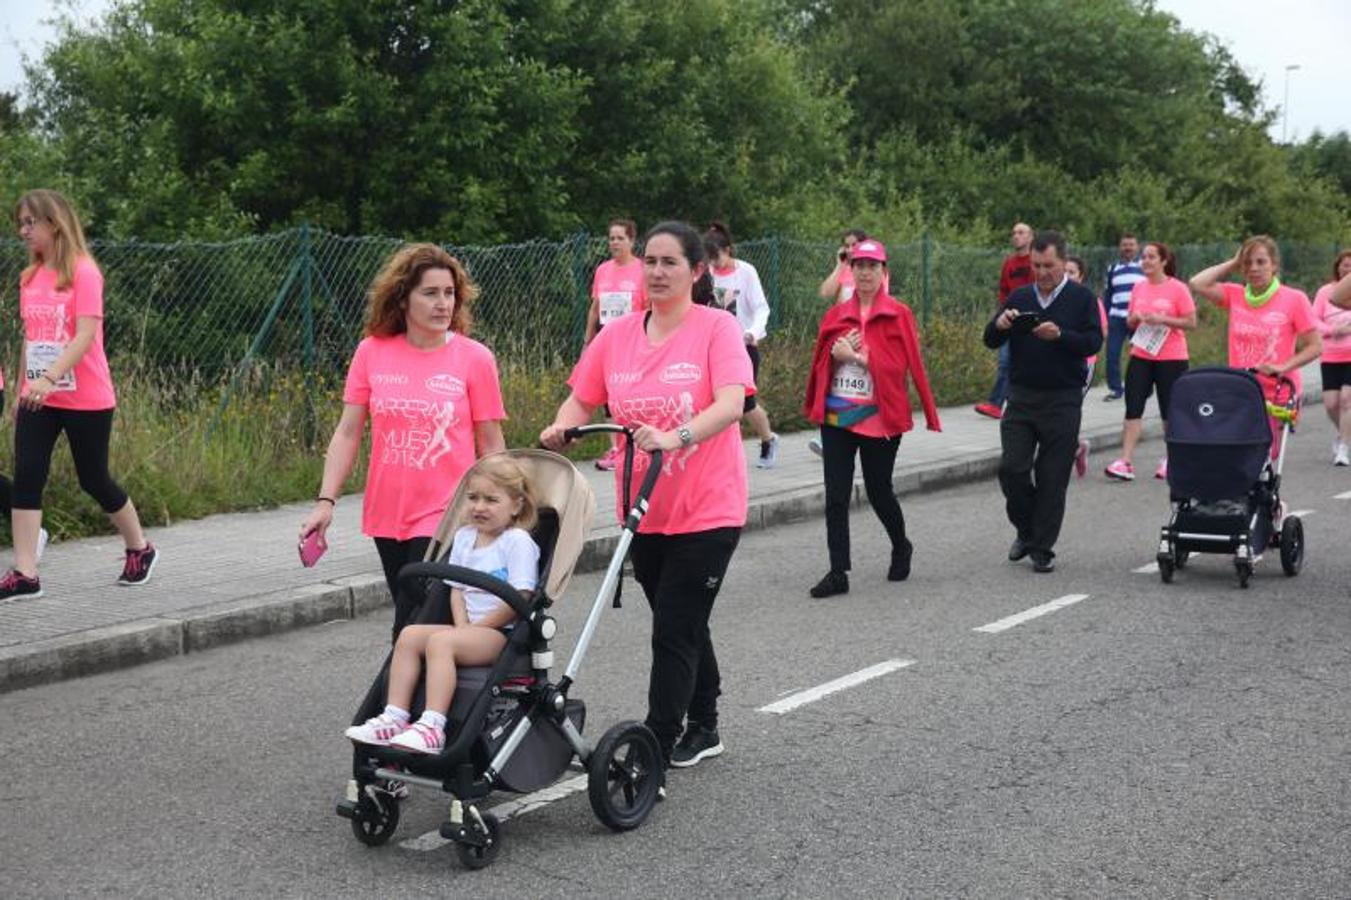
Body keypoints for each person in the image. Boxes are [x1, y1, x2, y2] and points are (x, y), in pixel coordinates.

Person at [540, 220, 752, 769]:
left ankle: (657, 739)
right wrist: (560, 430)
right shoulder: (617, 337)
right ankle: (706, 723)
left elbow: (731, 404)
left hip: (709, 507)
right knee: (681, 618)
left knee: (674, 627)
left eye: (669, 263)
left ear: (696, 271)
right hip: (644, 509)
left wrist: (675, 435)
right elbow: (581, 400)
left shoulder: (716, 329)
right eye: (650, 262)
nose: (656, 272)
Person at [300, 243, 507, 640]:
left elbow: (491, 442)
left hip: (447, 512)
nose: (443, 303)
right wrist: (326, 502)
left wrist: (501, 509)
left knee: (412, 625)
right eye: (430, 293)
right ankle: (427, 699)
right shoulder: (371, 352)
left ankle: (403, 702)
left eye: (449, 293)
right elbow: (347, 433)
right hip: (386, 512)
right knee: (413, 615)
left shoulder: (475, 358)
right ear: (402, 298)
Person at [1, 189, 156, 601]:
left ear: (55, 223)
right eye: (21, 222)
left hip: (85, 396)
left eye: (31, 222)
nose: (23, 230)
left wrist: (51, 376)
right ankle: (25, 573)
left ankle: (140, 548)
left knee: (94, 479)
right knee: (28, 477)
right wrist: (23, 389)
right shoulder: (28, 278)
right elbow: (31, 340)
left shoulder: (85, 272)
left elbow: (85, 334)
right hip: (40, 398)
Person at [345, 455, 540, 754]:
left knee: (441, 643)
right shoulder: (463, 537)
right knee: (409, 636)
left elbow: (521, 597)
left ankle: (432, 725)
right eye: (473, 498)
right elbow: (457, 589)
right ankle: (394, 716)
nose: (479, 507)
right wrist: (462, 625)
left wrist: (477, 627)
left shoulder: (517, 542)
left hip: (500, 632)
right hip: (467, 628)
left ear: (516, 505)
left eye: (491, 500)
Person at [802, 239, 941, 598]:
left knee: (879, 491)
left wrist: (860, 357)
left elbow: (900, 370)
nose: (865, 272)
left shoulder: (899, 314)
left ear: (884, 272)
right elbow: (821, 363)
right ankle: (838, 572)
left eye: (872, 266)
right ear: (852, 271)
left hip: (880, 417)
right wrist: (836, 356)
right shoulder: (836, 315)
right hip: (838, 416)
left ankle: (900, 544)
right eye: (859, 265)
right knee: (836, 495)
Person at [984, 230, 1103, 573]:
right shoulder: (1021, 296)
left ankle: (1042, 548)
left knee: (1052, 477)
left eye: (1049, 265)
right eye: (1037, 265)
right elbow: (990, 338)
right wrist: (1002, 323)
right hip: (1021, 396)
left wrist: (1061, 335)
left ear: (1064, 262)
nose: (1042, 272)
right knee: (1012, 470)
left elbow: (1093, 341)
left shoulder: (1081, 298)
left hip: (1063, 398)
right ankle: (1026, 529)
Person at [1190, 236, 1322, 458]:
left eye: (1261, 262)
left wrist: (1283, 365)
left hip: (1278, 390)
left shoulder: (1294, 299)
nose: (1254, 269)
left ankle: (1263, 492)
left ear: (1274, 265)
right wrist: (1233, 262)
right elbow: (1197, 283)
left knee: (1264, 456)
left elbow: (1316, 346)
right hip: (1241, 388)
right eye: (1248, 263)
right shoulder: (1235, 295)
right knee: (1240, 455)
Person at [1104, 242, 1197, 482]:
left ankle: (1171, 460)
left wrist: (1164, 319)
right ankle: (1124, 461)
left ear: (1163, 261)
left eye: (1151, 257)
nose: (1145, 261)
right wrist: (1134, 319)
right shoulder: (1139, 287)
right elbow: (1130, 322)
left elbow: (1191, 322)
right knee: (1133, 405)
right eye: (1144, 257)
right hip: (1142, 353)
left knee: (1170, 410)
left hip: (1172, 357)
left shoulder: (1178, 288)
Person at [705, 222, 779, 467]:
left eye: (717, 256)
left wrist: (753, 332)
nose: (714, 263)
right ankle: (724, 455)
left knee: (744, 403)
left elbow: (761, 307)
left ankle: (768, 439)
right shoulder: (706, 274)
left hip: (742, 347)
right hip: (713, 346)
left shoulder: (746, 272)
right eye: (710, 258)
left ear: (728, 249)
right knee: (714, 402)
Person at [585, 219, 646, 472]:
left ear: (631, 240)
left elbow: (649, 306)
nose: (615, 243)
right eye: (611, 238)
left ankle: (639, 443)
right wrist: (588, 341)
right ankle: (616, 447)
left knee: (633, 393)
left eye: (620, 238)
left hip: (634, 340)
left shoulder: (642, 270)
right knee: (609, 395)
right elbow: (595, 307)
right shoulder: (603, 270)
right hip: (607, 340)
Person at [974, 221, 1035, 420]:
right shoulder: (1009, 263)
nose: (1016, 236)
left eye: (1021, 232)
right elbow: (1003, 288)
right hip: (1009, 317)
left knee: (1019, 362)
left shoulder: (1035, 261)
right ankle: (997, 404)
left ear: (1030, 237)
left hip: (1028, 319)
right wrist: (1003, 309)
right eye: (1014, 232)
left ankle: (1004, 403)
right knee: (1005, 361)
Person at [1309, 250, 1351, 465]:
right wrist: (1332, 330)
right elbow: (1313, 320)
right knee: (1331, 403)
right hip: (1331, 354)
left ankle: (1343, 448)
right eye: (1345, 265)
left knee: (1346, 399)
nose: (1348, 269)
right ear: (1338, 267)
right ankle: (1343, 434)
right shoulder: (1326, 292)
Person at [1065, 256, 1103, 478]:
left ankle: (1069, 448)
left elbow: (1101, 334)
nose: (1067, 276)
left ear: (1081, 277)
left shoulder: (1090, 301)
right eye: (1065, 271)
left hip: (1084, 363)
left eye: (1072, 273)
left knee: (1070, 406)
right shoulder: (1054, 298)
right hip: (1058, 363)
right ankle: (1077, 446)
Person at [1100, 233, 1145, 401]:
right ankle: (1116, 389)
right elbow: (1108, 295)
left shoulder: (1144, 267)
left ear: (1137, 247)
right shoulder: (1113, 269)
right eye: (1124, 245)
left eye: (1131, 245)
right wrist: (1104, 318)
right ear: (1120, 247)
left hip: (1138, 319)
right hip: (1116, 318)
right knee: (1112, 354)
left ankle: (1141, 387)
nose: (1127, 248)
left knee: (1140, 355)